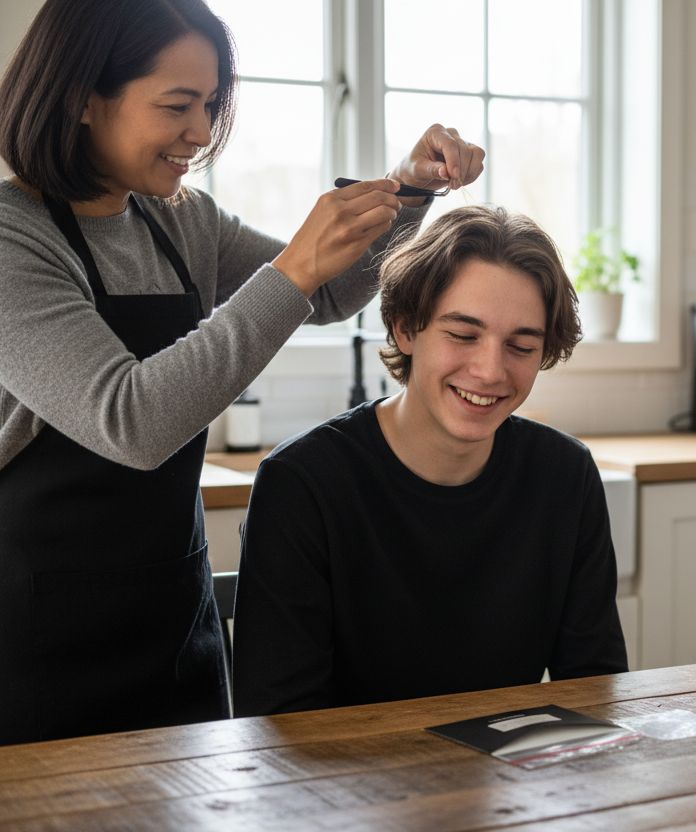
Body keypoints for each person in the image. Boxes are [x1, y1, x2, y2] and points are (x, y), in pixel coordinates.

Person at [0, 0, 483, 745]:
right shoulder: (12, 239)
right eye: (178, 105)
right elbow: (132, 422)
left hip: (171, 614)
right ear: (82, 97)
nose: (201, 131)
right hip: (32, 632)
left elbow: (326, 290)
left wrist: (409, 187)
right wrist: (292, 267)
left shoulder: (180, 218)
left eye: (212, 103)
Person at [231, 205, 627, 716]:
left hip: (508, 783)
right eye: (463, 335)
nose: (490, 371)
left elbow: (594, 687)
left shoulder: (564, 475)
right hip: (341, 788)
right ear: (404, 329)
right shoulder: (303, 484)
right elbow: (277, 721)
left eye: (521, 346)